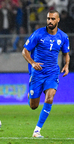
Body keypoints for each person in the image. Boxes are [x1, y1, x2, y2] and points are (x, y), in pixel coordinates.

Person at [22, 10, 70, 138]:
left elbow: (66, 53)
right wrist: (32, 63)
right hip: (37, 72)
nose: (50, 21)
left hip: (52, 72)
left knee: (50, 97)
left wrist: (66, 65)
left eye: (53, 19)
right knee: (34, 106)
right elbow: (25, 51)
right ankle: (30, 96)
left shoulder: (63, 37)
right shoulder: (38, 34)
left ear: (58, 20)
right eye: (48, 18)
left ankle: (37, 131)